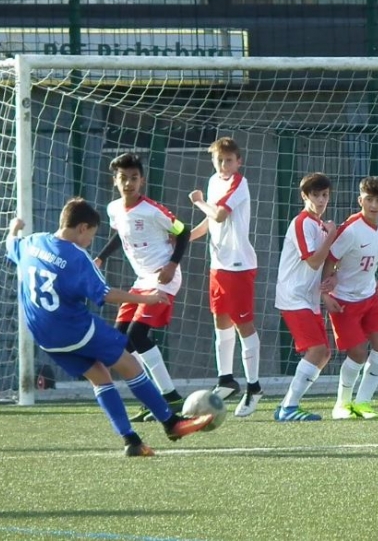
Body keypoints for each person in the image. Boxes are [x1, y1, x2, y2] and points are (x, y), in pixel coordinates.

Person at [5, 198, 213, 457]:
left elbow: (10, 245)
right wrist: (147, 298)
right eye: (91, 235)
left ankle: (132, 441)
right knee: (130, 365)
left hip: (43, 335)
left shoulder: (33, 242)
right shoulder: (76, 257)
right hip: (74, 328)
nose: (90, 242)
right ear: (82, 228)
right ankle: (172, 422)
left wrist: (15, 226)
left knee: (99, 376)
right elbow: (105, 294)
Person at [94, 153, 189, 423]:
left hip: (162, 277)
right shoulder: (114, 209)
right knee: (121, 341)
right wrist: (101, 257)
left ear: (142, 180)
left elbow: (182, 231)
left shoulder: (153, 210)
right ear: (115, 181)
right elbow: (120, 233)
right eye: (123, 178)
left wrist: (172, 264)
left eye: (134, 178)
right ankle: (153, 396)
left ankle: (170, 396)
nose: (129, 183)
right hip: (141, 281)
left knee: (138, 334)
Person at [188, 136, 263, 417]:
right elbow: (210, 223)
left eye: (229, 160)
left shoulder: (238, 183)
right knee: (221, 321)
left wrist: (198, 202)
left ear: (238, 161)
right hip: (218, 264)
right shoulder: (213, 181)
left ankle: (254, 387)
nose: (223, 164)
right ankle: (226, 379)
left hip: (239, 265)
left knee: (244, 325)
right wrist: (186, 237)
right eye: (219, 159)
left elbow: (218, 214)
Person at [322, 176, 378, 420]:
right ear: (359, 200)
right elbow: (330, 261)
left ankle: (363, 403)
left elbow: (367, 261)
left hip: (370, 296)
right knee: (358, 353)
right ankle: (342, 405)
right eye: (369, 200)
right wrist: (326, 294)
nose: (373, 205)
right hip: (344, 301)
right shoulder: (350, 230)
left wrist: (374, 280)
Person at [273, 172, 337, 422]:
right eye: (316, 195)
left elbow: (323, 265)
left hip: (309, 299)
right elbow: (312, 261)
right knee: (316, 349)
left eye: (325, 195)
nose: (321, 200)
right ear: (304, 196)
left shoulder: (320, 226)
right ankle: (289, 407)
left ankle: (286, 406)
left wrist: (332, 281)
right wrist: (332, 234)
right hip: (293, 297)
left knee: (324, 354)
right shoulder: (302, 222)